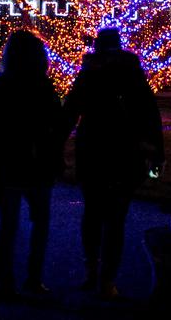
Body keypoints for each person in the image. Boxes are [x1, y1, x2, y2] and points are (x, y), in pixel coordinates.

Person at [63, 27, 164, 300]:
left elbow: (71, 110)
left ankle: (91, 270)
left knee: (93, 213)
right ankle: (108, 280)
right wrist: (157, 153)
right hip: (124, 149)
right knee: (116, 218)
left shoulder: (89, 72)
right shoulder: (132, 72)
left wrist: (57, 143)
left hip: (92, 148)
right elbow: (149, 114)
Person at [0, 30, 64, 295]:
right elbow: (57, 126)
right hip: (37, 165)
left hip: (5, 163)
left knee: (8, 223)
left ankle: (5, 278)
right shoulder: (43, 87)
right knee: (40, 223)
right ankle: (33, 279)